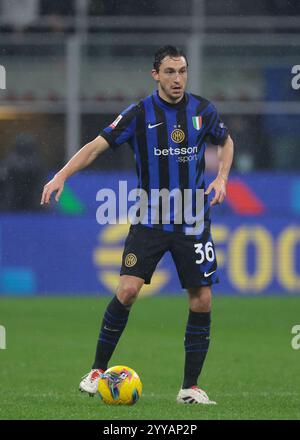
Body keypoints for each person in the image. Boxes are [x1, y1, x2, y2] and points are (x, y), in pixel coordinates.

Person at [41, 45, 234, 404]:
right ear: (155, 75)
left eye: (182, 72)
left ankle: (189, 388)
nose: (178, 79)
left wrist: (222, 177)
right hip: (150, 218)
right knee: (127, 290)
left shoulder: (202, 110)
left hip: (192, 220)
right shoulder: (138, 113)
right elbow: (95, 146)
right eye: (170, 72)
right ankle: (97, 370)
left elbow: (226, 141)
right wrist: (62, 175)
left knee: (202, 300)